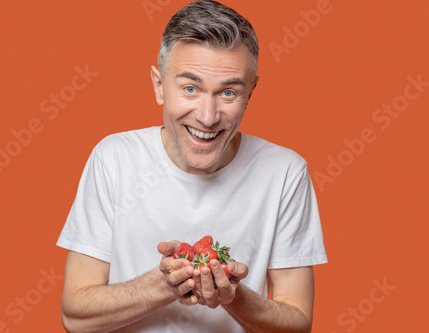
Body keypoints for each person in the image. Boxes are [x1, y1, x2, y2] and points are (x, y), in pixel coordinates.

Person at [56, 1, 327, 332]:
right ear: (159, 85)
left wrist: (232, 295)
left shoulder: (285, 172)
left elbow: (297, 324)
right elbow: (75, 317)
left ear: (250, 92)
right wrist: (164, 285)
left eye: (228, 92)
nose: (207, 116)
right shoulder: (113, 158)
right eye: (190, 88)